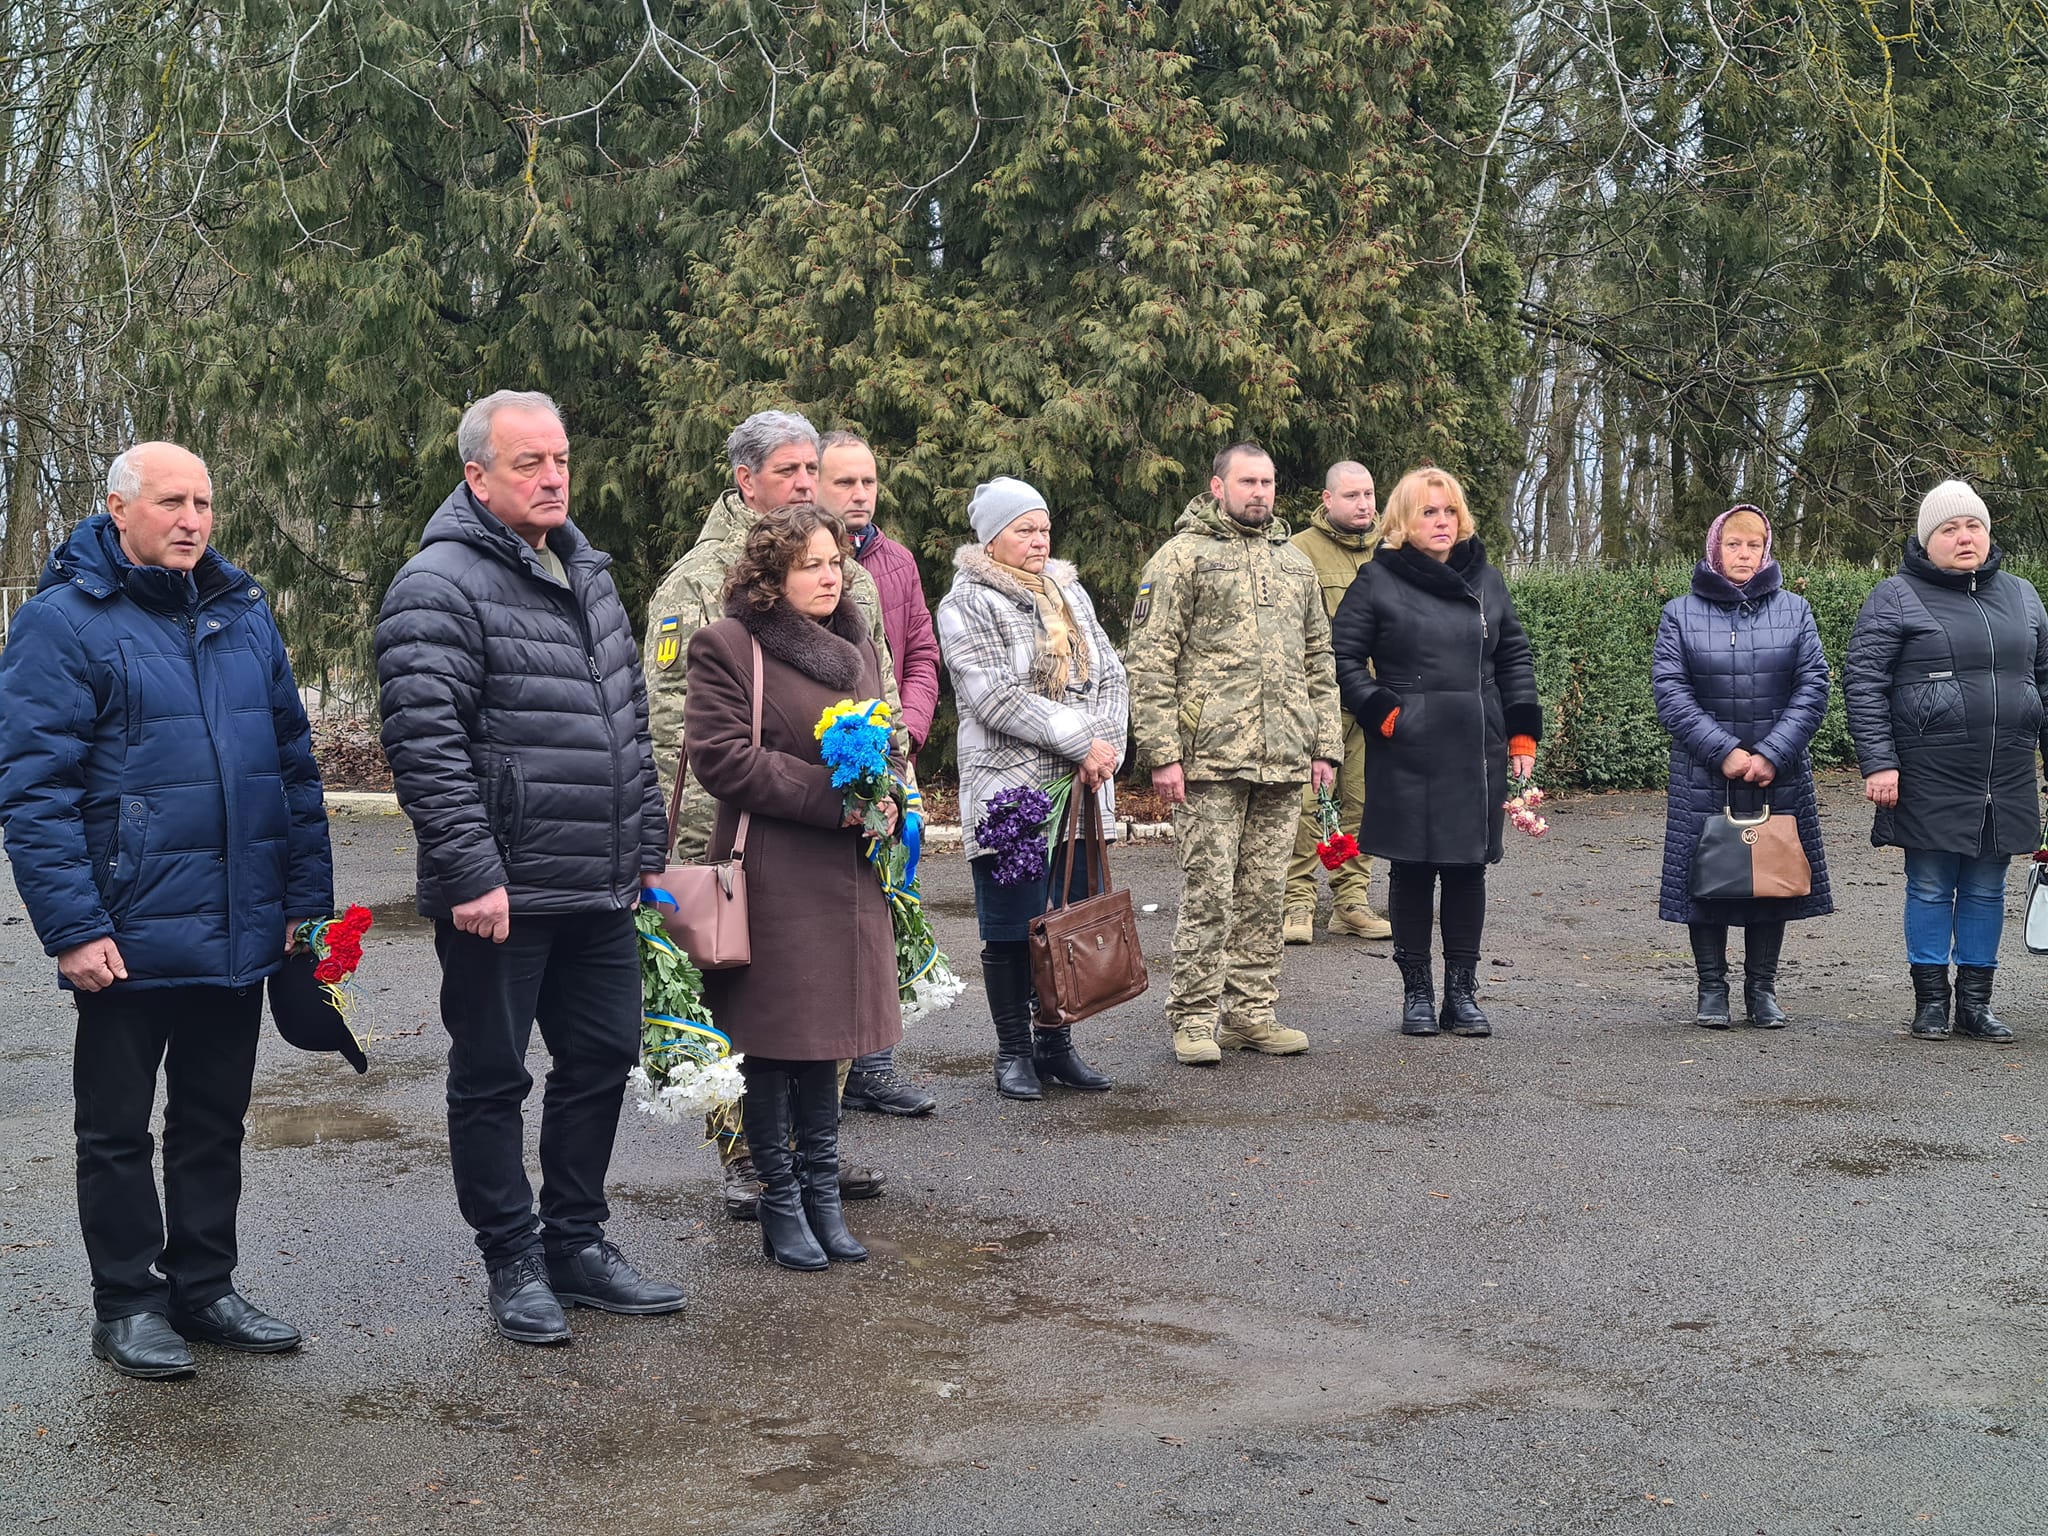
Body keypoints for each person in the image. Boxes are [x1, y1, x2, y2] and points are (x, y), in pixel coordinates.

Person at [0, 442, 334, 1379]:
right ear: (118, 509)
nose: (192, 520)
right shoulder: (61, 622)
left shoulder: (242, 613)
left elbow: (293, 772)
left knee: (213, 1119)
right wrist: (73, 926)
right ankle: (128, 1304)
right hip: (128, 929)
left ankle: (204, 1287)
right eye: (171, 502)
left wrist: (304, 908)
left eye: (204, 503)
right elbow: (34, 792)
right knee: (116, 1129)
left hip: (239, 922)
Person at [375, 390, 685, 1345]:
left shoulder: (586, 572)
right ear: (477, 477)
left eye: (560, 459)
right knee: (493, 1077)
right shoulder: (437, 585)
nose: (553, 477)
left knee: (601, 1059)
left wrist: (644, 854)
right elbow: (426, 746)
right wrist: (472, 873)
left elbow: (628, 726)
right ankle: (512, 1258)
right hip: (502, 890)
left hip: (599, 882)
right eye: (528, 463)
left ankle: (576, 1244)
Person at [643, 410, 899, 1217]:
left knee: (826, 994)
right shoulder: (699, 580)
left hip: (841, 831)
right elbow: (677, 726)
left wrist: (888, 790)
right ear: (746, 479)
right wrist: (696, 844)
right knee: (751, 1006)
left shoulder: (841, 567)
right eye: (788, 470)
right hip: (737, 830)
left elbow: (878, 689)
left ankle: (812, 1150)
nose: (804, 483)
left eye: (811, 469)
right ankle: (748, 1156)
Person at [683, 503, 904, 1269]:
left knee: (827, 1045)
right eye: (811, 564)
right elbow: (721, 759)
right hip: (774, 873)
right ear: (771, 574)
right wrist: (832, 798)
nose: (829, 576)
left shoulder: (854, 641)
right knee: (775, 1048)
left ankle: (821, 1199)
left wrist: (888, 794)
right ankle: (780, 1202)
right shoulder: (728, 645)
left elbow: (883, 738)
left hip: (850, 876)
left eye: (835, 562)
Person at [1127, 443, 1341, 1066]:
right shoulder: (1181, 558)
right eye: (1248, 481)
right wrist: (1163, 753)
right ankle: (1194, 1017)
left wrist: (1324, 745)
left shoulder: (1294, 563)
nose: (1260, 493)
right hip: (1209, 760)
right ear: (1217, 486)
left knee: (1266, 893)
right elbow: (1150, 660)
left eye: (1267, 482)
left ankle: (1251, 1014)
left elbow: (1319, 659)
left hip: (1284, 756)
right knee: (1209, 893)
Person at [1331, 466, 1540, 1039]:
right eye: (1428, 511)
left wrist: (1522, 734)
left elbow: (1515, 657)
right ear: (1403, 519)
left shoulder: (1486, 578)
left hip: (1477, 742)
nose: (1442, 521)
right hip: (1409, 744)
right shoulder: (1378, 579)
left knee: (1468, 867)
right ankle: (1417, 993)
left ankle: (1462, 994)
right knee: (1414, 867)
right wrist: (1385, 711)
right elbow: (1342, 658)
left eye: (1449, 510)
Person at [937, 478, 1130, 1098]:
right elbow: (993, 696)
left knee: (1065, 920)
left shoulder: (1068, 592)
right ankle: (1013, 1052)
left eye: (1044, 528)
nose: (1039, 540)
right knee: (1012, 925)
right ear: (992, 539)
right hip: (1011, 789)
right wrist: (1082, 742)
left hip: (1079, 787)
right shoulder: (965, 602)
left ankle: (1056, 1045)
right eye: (1024, 530)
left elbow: (1111, 674)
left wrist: (1104, 748)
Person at [1845, 480, 2048, 1043]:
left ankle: (1975, 1006)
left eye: (1973, 526)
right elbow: (1864, 683)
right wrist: (1878, 763)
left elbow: (2046, 684)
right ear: (1926, 540)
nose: (1964, 537)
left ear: (1988, 532)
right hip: (1928, 770)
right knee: (1931, 885)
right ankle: (1931, 1003)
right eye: (1950, 528)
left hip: (2006, 771)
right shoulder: (1895, 595)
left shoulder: (2023, 595)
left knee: (1987, 888)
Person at [1652, 506, 1834, 1027]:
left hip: (1779, 772)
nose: (1744, 554)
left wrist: (1773, 752)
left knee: (1770, 877)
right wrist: (1724, 751)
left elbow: (1813, 686)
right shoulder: (1679, 613)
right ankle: (1712, 989)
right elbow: (1670, 691)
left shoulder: (1795, 610)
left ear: (1766, 550)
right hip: (1703, 773)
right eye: (1734, 544)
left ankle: (1762, 990)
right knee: (1707, 880)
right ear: (1715, 548)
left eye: (1754, 545)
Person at [817, 430, 941, 1118]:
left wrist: (907, 731)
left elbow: (920, 653)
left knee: (891, 901)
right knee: (838, 916)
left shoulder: (895, 562)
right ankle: (824, 1073)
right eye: (845, 482)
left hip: (892, 754)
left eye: (868, 481)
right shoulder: (799, 562)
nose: (860, 494)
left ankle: (875, 1065)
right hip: (831, 762)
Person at [1284, 461, 1392, 944]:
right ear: (1327, 500)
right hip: (1317, 704)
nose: (1364, 504)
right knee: (1308, 807)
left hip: (1372, 702)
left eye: (1368, 494)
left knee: (1363, 805)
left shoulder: (1393, 549)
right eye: (1351, 496)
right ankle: (1296, 903)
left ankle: (1350, 902)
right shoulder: (1299, 552)